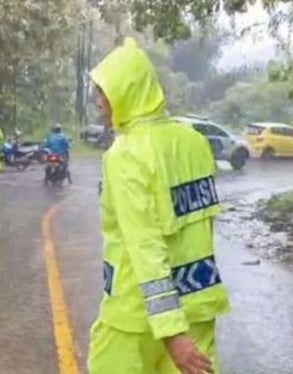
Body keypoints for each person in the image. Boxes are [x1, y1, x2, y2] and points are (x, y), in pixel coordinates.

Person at [87, 38, 230, 374]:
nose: (99, 103)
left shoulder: (125, 155)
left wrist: (171, 333)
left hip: (134, 317)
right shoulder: (195, 143)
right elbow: (205, 227)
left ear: (127, 91)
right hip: (197, 304)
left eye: (104, 92)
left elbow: (144, 247)